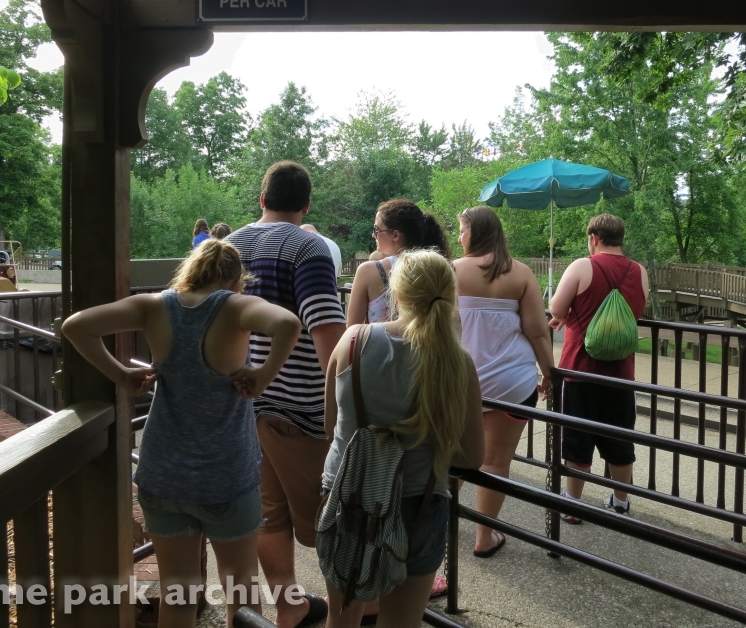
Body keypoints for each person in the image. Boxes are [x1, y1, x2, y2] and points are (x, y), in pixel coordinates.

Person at [62, 239, 302, 628]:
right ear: (234, 278)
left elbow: (76, 326)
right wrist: (263, 375)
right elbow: (288, 324)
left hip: (163, 476)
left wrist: (121, 375)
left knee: (179, 593)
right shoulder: (235, 306)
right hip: (226, 476)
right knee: (240, 591)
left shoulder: (154, 306)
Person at [322, 249, 485, 628]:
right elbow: (473, 456)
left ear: (396, 294)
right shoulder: (458, 364)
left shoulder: (353, 341)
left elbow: (333, 428)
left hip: (348, 495)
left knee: (342, 617)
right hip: (419, 502)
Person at [227, 161, 346, 628]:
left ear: (262, 198)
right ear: (306, 204)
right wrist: (345, 409)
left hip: (244, 408)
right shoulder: (307, 247)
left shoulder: (229, 245)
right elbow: (328, 338)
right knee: (336, 518)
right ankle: (349, 611)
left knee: (267, 517)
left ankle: (289, 605)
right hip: (301, 412)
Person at [453, 206, 555, 557]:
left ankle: (439, 525)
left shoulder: (450, 271)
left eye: (462, 230)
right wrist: (550, 373)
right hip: (512, 381)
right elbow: (538, 331)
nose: (458, 237)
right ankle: (485, 538)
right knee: (495, 462)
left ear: (474, 233)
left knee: (455, 458)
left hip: (460, 381)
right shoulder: (521, 274)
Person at [548, 213, 649, 521]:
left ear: (593, 238)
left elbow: (555, 308)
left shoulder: (583, 266)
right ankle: (620, 503)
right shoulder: (639, 271)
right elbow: (638, 312)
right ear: (621, 238)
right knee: (620, 438)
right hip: (621, 374)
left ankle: (574, 504)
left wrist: (566, 315)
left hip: (580, 370)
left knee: (577, 438)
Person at [346, 200, 451, 326]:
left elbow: (352, 331)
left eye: (377, 229)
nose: (373, 235)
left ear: (395, 235)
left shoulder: (369, 271)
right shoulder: (438, 268)